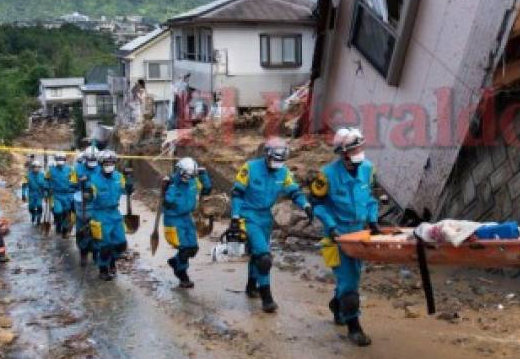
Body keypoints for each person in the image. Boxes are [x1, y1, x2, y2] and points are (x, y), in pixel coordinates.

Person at [310, 127, 379, 346]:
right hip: (337, 236)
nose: (359, 152)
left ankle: (338, 306)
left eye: (360, 147)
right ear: (342, 152)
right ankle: (354, 328)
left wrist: (373, 220)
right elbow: (317, 205)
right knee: (349, 282)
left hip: (359, 233)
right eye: (354, 148)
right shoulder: (327, 175)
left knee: (354, 277)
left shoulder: (367, 169)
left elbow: (370, 198)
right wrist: (330, 226)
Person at [231, 136, 312, 313]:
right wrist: (235, 217)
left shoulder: (283, 172)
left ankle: (251, 286)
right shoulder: (250, 168)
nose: (278, 163)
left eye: (281, 160)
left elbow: (294, 191)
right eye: (275, 159)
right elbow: (237, 193)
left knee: (256, 254)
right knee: (264, 257)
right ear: (267, 155)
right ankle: (266, 297)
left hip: (266, 218)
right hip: (248, 215)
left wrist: (305, 205)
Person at [162, 157, 212, 288]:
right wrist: (168, 187)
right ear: (179, 171)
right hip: (173, 218)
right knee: (184, 249)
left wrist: (204, 175)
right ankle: (182, 274)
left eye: (190, 176)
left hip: (186, 217)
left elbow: (206, 190)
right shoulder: (172, 183)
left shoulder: (193, 182)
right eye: (185, 175)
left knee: (193, 249)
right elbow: (166, 203)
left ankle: (175, 261)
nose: (187, 178)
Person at [84, 150, 132, 281]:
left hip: (115, 213)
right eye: (106, 163)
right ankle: (103, 269)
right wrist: (87, 194)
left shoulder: (118, 176)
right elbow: (90, 195)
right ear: (101, 164)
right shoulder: (94, 179)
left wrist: (129, 183)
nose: (109, 165)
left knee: (121, 243)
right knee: (105, 245)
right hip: (100, 214)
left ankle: (112, 260)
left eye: (111, 163)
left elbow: (125, 190)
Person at [70, 146, 99, 266]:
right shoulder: (78, 168)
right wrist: (79, 184)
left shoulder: (100, 168)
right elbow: (71, 185)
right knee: (82, 229)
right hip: (81, 203)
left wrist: (91, 189)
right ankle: (83, 253)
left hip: (96, 204)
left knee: (96, 229)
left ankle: (96, 252)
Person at [47, 153, 76, 238]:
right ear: (55, 160)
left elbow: (75, 181)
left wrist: (74, 190)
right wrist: (47, 188)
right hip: (57, 195)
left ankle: (65, 230)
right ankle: (58, 223)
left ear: (65, 160)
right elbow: (46, 180)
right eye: (58, 159)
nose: (60, 161)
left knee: (67, 213)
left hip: (68, 195)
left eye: (62, 159)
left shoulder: (70, 170)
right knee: (58, 211)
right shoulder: (51, 170)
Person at [22, 159, 48, 225]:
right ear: (32, 167)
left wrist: (46, 193)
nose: (36, 168)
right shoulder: (27, 175)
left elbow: (46, 185)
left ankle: (39, 218)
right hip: (31, 193)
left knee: (39, 205)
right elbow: (24, 185)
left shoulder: (43, 175)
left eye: (38, 167)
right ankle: (33, 215)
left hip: (39, 193)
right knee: (31, 207)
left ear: (39, 168)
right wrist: (23, 194)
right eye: (35, 167)